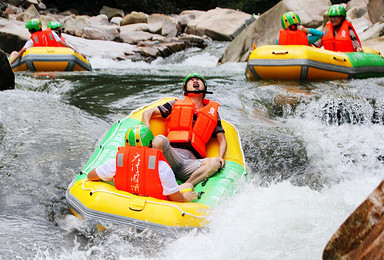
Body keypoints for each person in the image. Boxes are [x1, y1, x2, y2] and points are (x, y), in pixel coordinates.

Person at [142, 73, 227, 187]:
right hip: (171, 154)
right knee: (159, 140)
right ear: (185, 88)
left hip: (191, 162)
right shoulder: (176, 103)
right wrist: (146, 129)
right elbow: (147, 113)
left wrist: (220, 156)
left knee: (215, 163)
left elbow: (222, 140)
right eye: (191, 80)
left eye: (198, 80)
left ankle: (185, 187)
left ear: (204, 87)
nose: (195, 81)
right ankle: (152, 180)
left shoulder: (213, 112)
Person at [87, 125, 197, 202]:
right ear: (151, 144)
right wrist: (184, 198)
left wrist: (112, 179)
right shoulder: (161, 166)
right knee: (188, 185)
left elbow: (91, 176)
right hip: (155, 206)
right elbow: (175, 197)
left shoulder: (117, 162)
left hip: (123, 202)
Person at [9, 18, 77, 65]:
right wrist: (77, 52)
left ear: (30, 31)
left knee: (14, 53)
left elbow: (21, 52)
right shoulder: (52, 33)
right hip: (55, 57)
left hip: (38, 59)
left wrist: (10, 63)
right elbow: (65, 45)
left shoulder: (33, 39)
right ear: (40, 27)